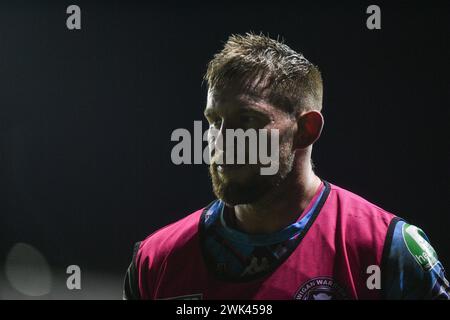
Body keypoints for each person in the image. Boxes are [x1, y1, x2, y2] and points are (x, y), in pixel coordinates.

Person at [123, 33, 449, 300]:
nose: (220, 140)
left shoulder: (385, 252)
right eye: (213, 121)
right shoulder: (156, 262)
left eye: (246, 120)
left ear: (306, 130)